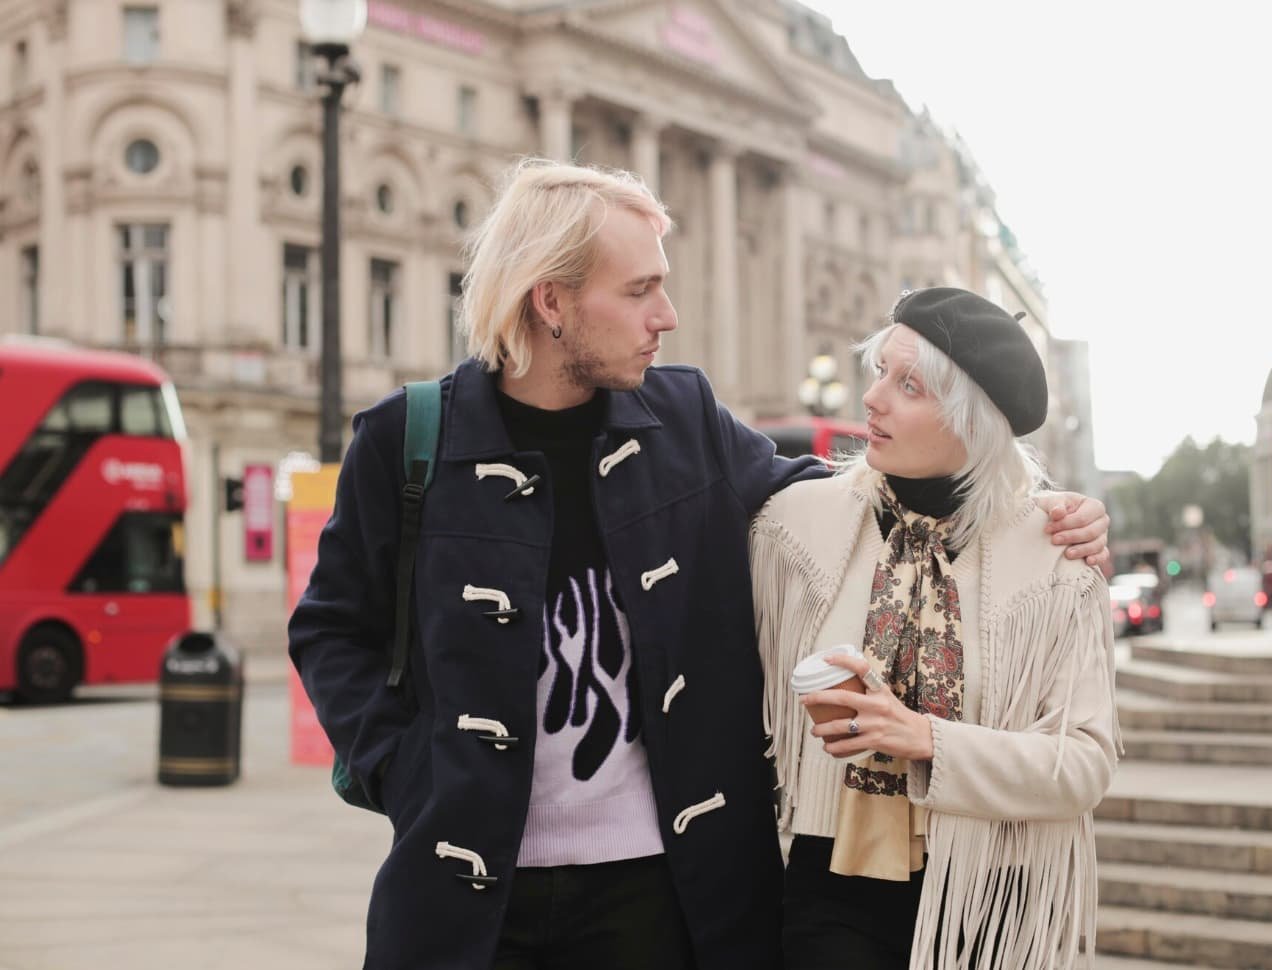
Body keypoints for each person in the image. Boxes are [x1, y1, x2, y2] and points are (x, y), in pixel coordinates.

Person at [288, 160, 1112, 970]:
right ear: (552, 302)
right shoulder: (405, 440)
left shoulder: (684, 420)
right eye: (640, 290)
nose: (667, 315)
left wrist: (1034, 510)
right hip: (464, 890)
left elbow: (851, 496)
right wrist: (404, 772)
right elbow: (330, 629)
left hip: (655, 893)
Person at [751, 287, 1121, 970]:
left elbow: (1086, 763)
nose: (873, 398)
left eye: (909, 385)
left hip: (989, 898)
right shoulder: (791, 524)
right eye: (879, 371)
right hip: (829, 883)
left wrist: (927, 739)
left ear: (971, 421)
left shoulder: (1057, 558)